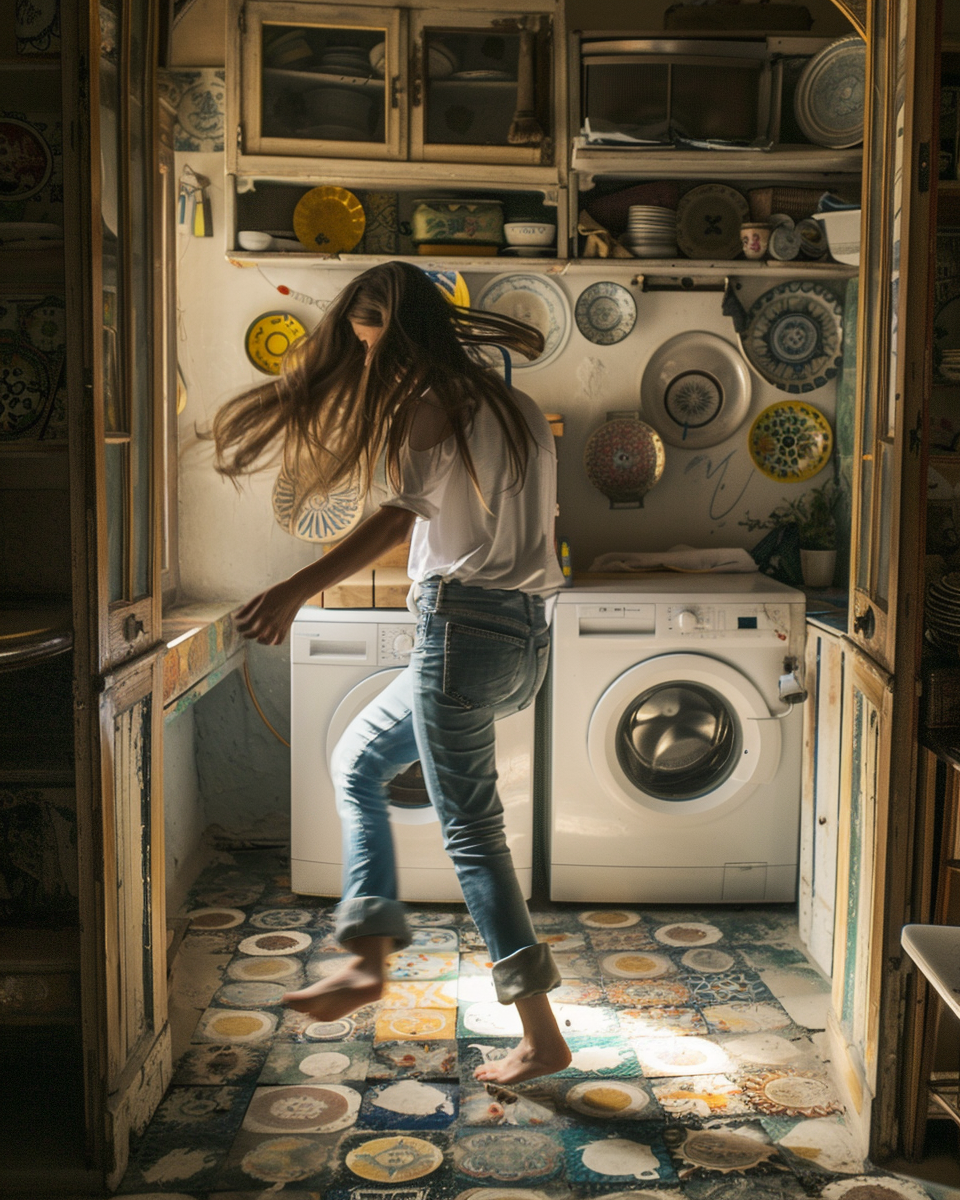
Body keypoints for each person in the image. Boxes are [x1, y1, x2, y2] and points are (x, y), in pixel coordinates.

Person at [212, 260, 570, 1083]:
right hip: (522, 640)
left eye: (365, 334)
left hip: (459, 632)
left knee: (473, 838)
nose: (363, 353)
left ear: (390, 322)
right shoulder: (515, 404)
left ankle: (540, 1031)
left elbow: (394, 521)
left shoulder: (430, 403)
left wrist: (295, 588)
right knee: (358, 761)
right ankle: (368, 953)